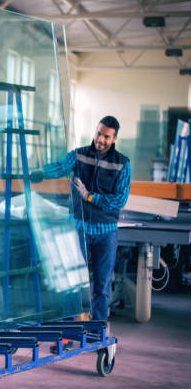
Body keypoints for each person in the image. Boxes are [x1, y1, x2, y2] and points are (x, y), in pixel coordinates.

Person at [32, 115, 131, 322]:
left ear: (114, 139)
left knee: (102, 286)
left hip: (106, 233)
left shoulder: (122, 164)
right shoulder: (79, 155)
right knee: (73, 283)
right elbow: (60, 166)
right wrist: (40, 172)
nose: (100, 139)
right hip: (79, 228)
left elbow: (119, 199)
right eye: (98, 133)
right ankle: (68, 335)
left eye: (106, 136)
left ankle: (98, 333)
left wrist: (90, 196)